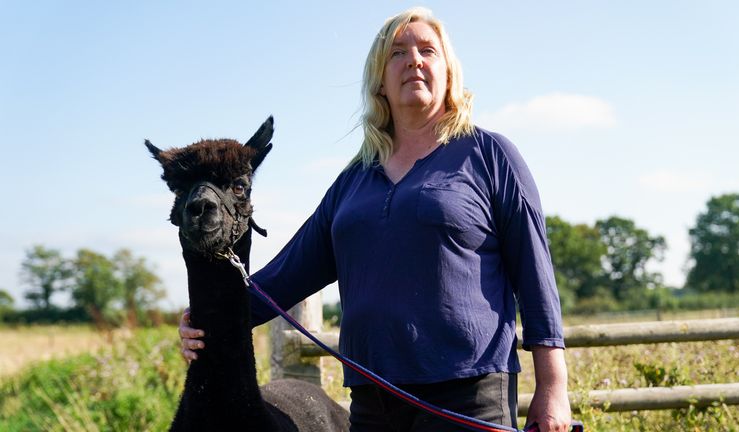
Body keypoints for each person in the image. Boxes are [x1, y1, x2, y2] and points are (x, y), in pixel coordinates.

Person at [179, 7, 572, 432]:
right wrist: (211, 317)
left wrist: (553, 388)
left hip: (468, 393)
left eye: (428, 50)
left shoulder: (491, 156)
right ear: (380, 81)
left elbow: (535, 276)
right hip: (372, 400)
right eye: (398, 53)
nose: (414, 61)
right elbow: (285, 275)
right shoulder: (353, 181)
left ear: (449, 72)